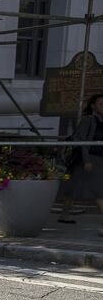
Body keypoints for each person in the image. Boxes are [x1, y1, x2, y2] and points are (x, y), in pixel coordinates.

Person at [57, 94, 103, 234]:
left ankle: (64, 215)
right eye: (101, 103)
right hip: (89, 159)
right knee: (99, 192)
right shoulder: (88, 120)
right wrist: (87, 160)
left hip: (98, 159)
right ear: (93, 106)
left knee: (72, 186)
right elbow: (81, 141)